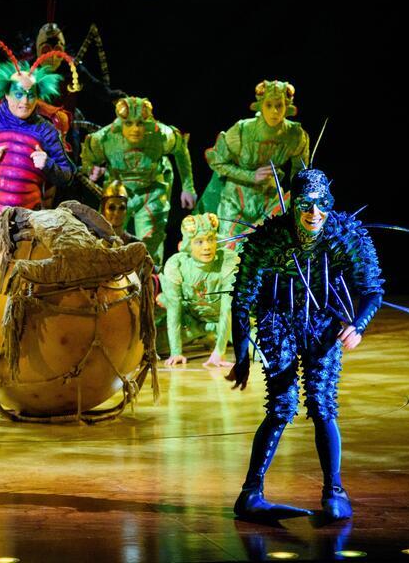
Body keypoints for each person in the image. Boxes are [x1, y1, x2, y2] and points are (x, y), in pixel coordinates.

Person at [227, 168, 384, 521]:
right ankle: (251, 492)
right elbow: (242, 300)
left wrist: (357, 325)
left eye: (322, 203)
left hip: (323, 321)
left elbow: (372, 289)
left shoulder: (345, 236)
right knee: (281, 405)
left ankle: (334, 490)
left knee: (322, 402)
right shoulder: (269, 240)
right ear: (293, 204)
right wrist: (242, 356)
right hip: (277, 320)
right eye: (306, 205)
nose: (315, 213)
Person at [0, 36, 76, 238]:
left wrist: (48, 164)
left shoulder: (46, 131)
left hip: (26, 224)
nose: (25, 101)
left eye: (31, 94)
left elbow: (68, 175)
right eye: (18, 94)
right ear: (6, 94)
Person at [81, 96, 197, 265]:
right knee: (107, 237)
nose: (135, 129)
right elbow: (87, 159)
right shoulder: (104, 138)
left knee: (150, 244)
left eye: (140, 123)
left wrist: (188, 187)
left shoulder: (161, 134)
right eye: (129, 123)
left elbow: (181, 149)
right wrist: (91, 169)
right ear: (121, 123)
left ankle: (150, 278)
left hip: (152, 190)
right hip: (119, 190)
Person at [204, 80, 309, 242]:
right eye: (269, 105)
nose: (274, 111)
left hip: (270, 199)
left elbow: (300, 173)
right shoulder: (242, 130)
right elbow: (218, 162)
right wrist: (251, 176)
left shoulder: (295, 135)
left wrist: (297, 199)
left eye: (279, 105)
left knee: (265, 247)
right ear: (261, 105)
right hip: (236, 198)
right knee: (230, 245)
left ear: (286, 106)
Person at [159, 213, 240, 367]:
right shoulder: (176, 266)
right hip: (193, 324)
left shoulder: (228, 262)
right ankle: (205, 337)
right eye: (199, 242)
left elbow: (227, 309)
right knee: (151, 346)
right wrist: (176, 352)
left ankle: (215, 339)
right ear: (188, 244)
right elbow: (174, 310)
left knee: (270, 352)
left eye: (211, 239)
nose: (206, 247)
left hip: (231, 325)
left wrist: (219, 352)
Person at [99, 180, 139, 245]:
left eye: (121, 208)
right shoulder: (91, 239)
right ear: (103, 211)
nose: (117, 213)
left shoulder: (136, 244)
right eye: (112, 208)